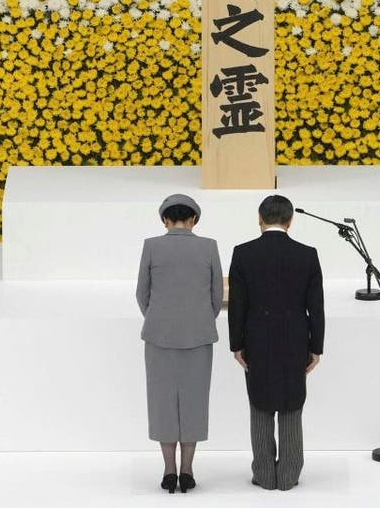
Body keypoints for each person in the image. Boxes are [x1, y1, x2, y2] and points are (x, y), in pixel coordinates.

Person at [227, 195, 325, 491]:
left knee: (260, 404)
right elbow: (316, 307)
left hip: (255, 336)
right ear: (290, 220)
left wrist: (236, 344)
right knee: (292, 404)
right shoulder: (307, 254)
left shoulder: (242, 253)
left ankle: (265, 474)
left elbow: (237, 305)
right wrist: (316, 347)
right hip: (295, 336)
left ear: (260, 218)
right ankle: (289, 475)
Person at [136, 194, 224, 494]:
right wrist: (198, 319)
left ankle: (168, 469)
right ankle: (187, 469)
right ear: (194, 220)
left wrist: (160, 318)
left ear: (164, 219)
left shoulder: (151, 245)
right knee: (194, 401)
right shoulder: (208, 246)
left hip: (158, 336)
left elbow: (141, 294)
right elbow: (216, 296)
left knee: (162, 402)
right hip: (198, 335)